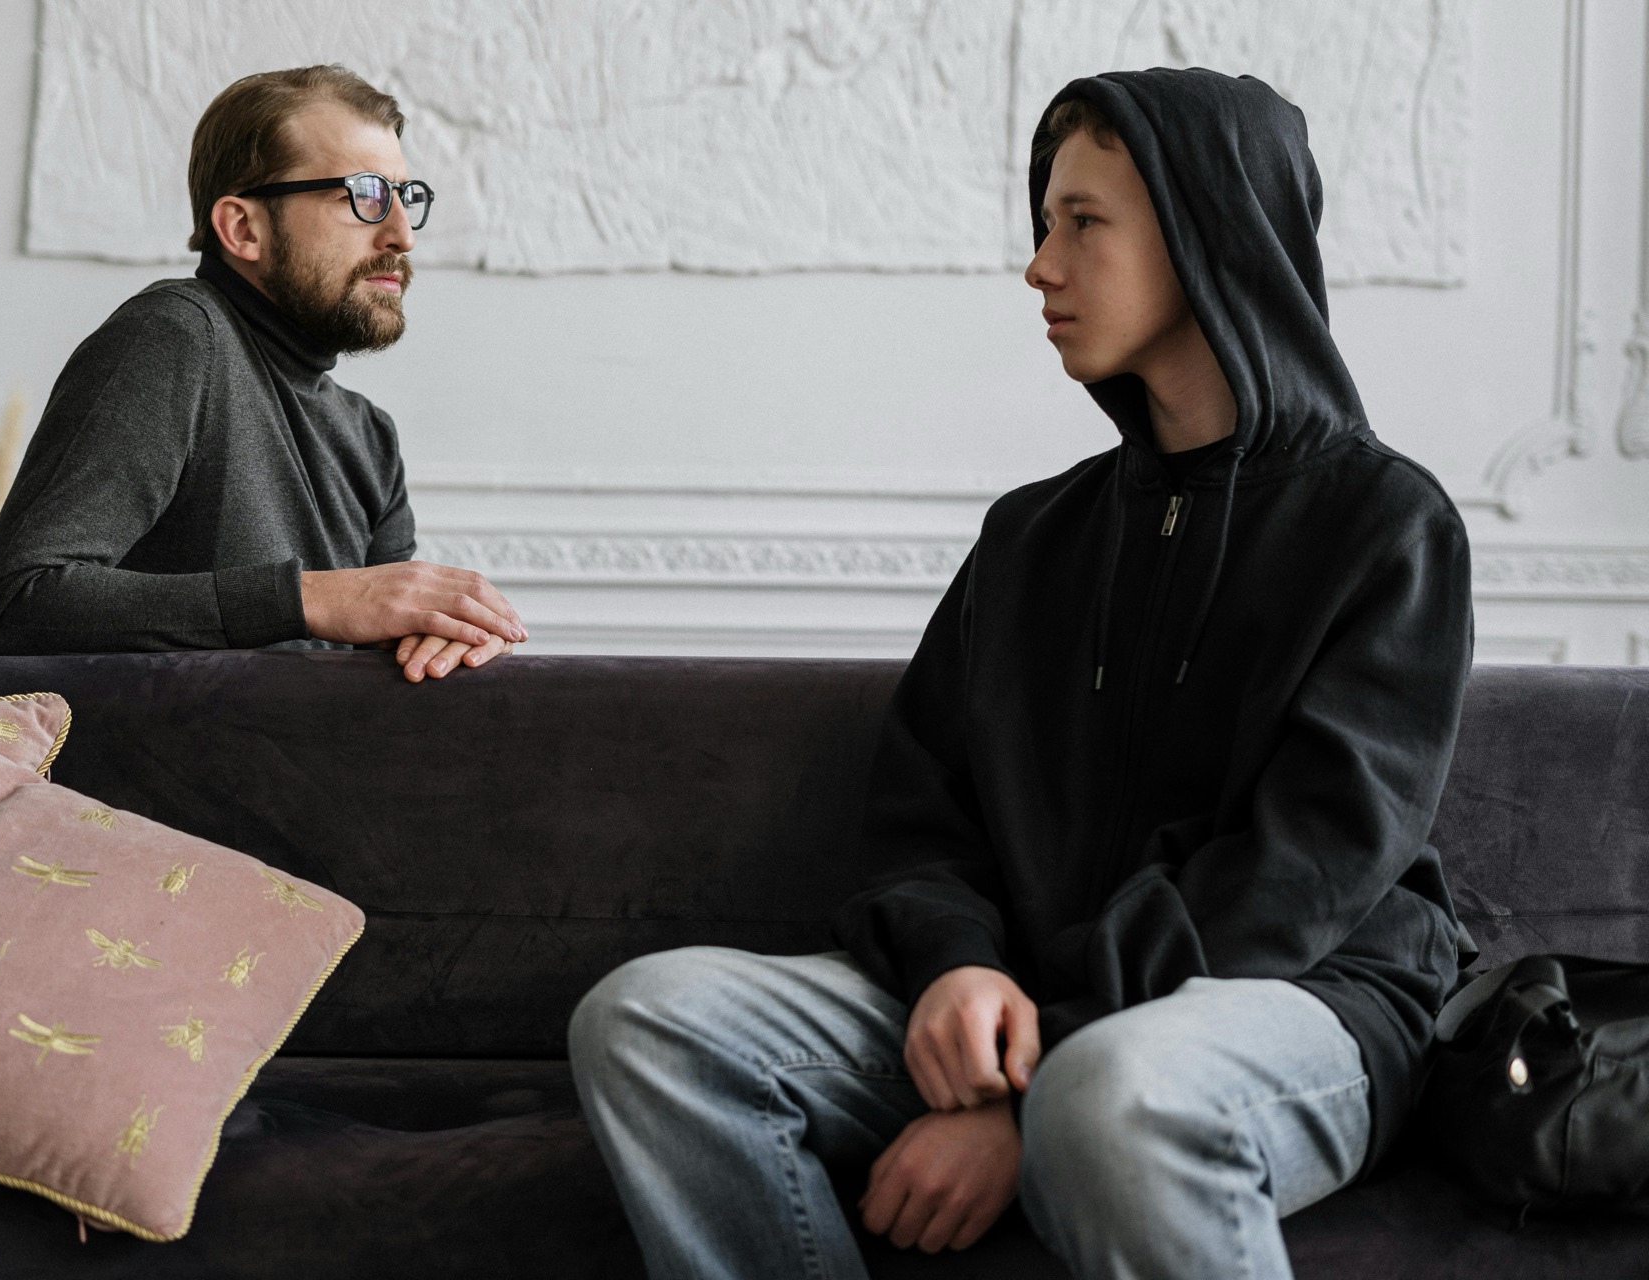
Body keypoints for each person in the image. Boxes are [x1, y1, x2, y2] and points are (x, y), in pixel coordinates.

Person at [568, 68, 1473, 1280]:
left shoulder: (1387, 524)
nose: (1040, 265)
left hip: (1306, 1003)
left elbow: (1297, 875)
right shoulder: (1032, 537)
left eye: (1082, 223)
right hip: (1028, 1007)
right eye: (1043, 223)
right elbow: (922, 812)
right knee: (649, 1020)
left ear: (1212, 234)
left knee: (1112, 1093)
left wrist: (1029, 1073)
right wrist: (957, 965)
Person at [0, 65, 525, 681]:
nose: (400, 236)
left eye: (404, 198)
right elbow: (14, 602)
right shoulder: (174, 338)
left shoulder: (370, 435)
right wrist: (314, 599)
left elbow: (383, 663)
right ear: (243, 229)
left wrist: (445, 639)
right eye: (364, 195)